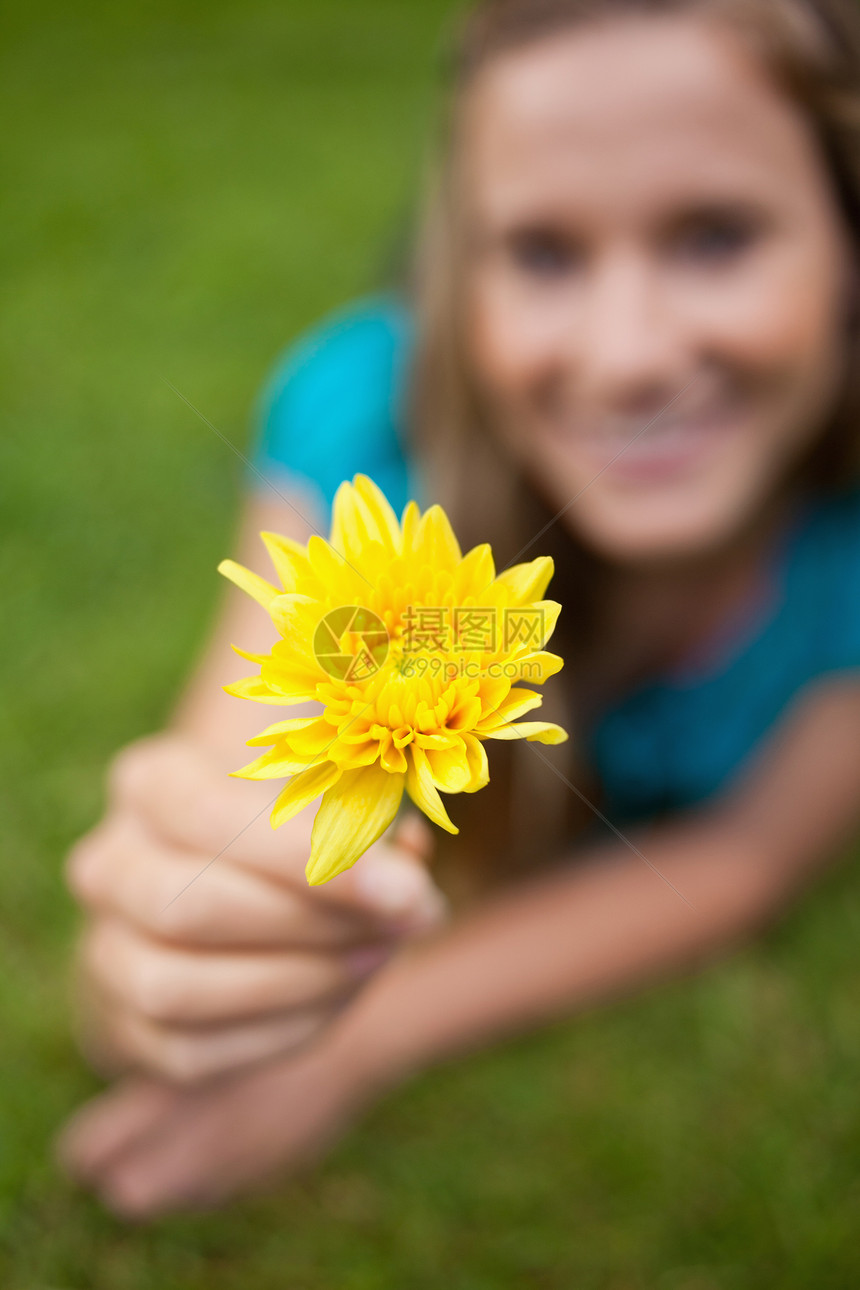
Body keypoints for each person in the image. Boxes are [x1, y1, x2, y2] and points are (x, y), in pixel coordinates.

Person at [56, 0, 860, 1219]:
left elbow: (741, 857)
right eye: (542, 251)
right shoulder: (366, 439)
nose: (626, 353)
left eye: (713, 236)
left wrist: (364, 1041)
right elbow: (240, 777)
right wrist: (173, 933)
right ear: (458, 274)